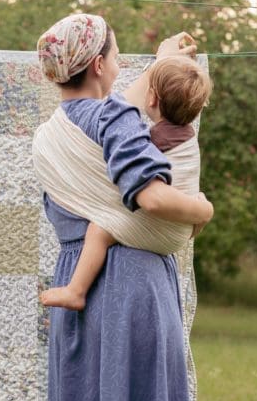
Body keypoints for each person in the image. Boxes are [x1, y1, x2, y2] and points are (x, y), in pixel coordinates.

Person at [33, 13, 211, 401]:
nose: (120, 65)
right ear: (98, 64)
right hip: (132, 285)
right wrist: (203, 210)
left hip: (76, 281)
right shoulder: (115, 119)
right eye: (115, 55)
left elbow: (129, 99)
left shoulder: (52, 133)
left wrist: (165, 61)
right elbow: (151, 197)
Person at [38, 55, 213, 311]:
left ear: (152, 99)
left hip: (163, 232)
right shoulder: (186, 136)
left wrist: (205, 210)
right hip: (179, 234)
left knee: (99, 231)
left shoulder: (155, 137)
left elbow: (124, 140)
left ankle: (76, 291)